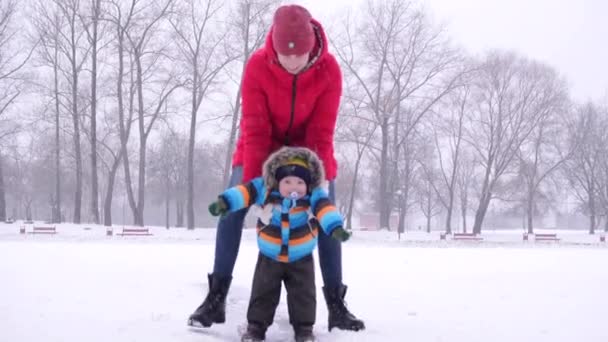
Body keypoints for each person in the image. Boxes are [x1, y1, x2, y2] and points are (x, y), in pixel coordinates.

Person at [188, 4, 365, 332]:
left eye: (301, 55)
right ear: (275, 46)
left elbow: (321, 134)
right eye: (287, 55)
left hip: (309, 155)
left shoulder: (329, 71)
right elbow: (255, 130)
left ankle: (336, 305)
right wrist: (259, 193)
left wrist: (317, 187)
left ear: (312, 44)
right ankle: (216, 298)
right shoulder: (257, 67)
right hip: (261, 150)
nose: (294, 62)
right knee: (232, 209)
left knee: (327, 214)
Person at [206, 147, 351, 342]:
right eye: (288, 182)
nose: (294, 187)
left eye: (300, 182)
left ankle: (304, 330)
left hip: (301, 257)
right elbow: (243, 192)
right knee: (262, 294)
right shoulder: (264, 190)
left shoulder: (313, 197)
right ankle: (256, 328)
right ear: (278, 181)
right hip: (269, 256)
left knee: (304, 296)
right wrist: (225, 202)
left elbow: (326, 210)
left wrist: (335, 228)